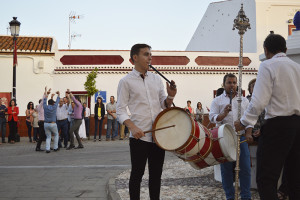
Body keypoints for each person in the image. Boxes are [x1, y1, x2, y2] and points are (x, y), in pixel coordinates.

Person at [234, 34, 300, 200]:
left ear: (266, 50)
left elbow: (258, 101)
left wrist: (244, 122)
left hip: (277, 126)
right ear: (285, 50)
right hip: (298, 125)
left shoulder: (268, 65)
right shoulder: (297, 67)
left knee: (266, 177)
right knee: (294, 177)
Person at [117, 43, 177, 200]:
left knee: (156, 175)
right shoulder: (126, 81)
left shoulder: (156, 79)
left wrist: (170, 96)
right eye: (145, 54)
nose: (150, 57)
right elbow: (120, 110)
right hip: (139, 136)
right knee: (137, 174)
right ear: (134, 58)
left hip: (158, 135)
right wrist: (133, 127)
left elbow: (163, 104)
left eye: (150, 54)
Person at [209, 73, 252, 200]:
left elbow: (249, 120)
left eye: (234, 82)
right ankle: (230, 197)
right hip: (224, 139)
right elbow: (212, 117)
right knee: (226, 170)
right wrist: (222, 114)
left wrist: (248, 133)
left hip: (240, 138)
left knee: (245, 168)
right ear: (224, 84)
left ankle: (246, 197)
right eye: (229, 82)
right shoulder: (217, 101)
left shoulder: (243, 100)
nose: (232, 85)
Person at [43, 88, 60, 153]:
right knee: (56, 135)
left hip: (46, 123)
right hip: (53, 124)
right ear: (53, 103)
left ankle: (47, 149)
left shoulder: (45, 107)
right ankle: (55, 147)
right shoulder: (54, 107)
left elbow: (44, 100)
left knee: (48, 137)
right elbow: (57, 101)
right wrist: (58, 94)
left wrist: (47, 93)